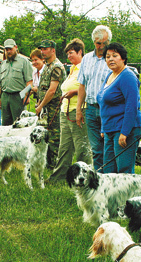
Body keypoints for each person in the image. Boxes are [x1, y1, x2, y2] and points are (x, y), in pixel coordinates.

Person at [47, 39, 92, 182]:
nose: (69, 56)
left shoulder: (86, 67)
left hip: (78, 110)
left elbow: (89, 87)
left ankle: (85, 177)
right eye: (67, 54)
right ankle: (59, 177)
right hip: (65, 110)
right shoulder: (72, 69)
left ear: (80, 52)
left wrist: (75, 91)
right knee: (64, 147)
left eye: (71, 53)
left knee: (81, 147)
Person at [97, 43, 141, 174]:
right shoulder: (110, 75)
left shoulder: (127, 76)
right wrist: (103, 128)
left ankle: (130, 195)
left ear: (123, 58)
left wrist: (125, 132)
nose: (110, 59)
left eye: (114, 56)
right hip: (109, 129)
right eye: (107, 56)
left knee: (124, 171)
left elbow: (132, 106)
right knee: (109, 170)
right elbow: (104, 103)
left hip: (124, 129)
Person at [76, 25, 112, 170]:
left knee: (108, 147)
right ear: (93, 42)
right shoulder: (86, 59)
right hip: (90, 108)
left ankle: (110, 177)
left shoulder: (112, 59)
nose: (102, 46)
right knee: (96, 149)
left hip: (108, 109)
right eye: (99, 43)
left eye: (105, 43)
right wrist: (79, 109)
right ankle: (99, 177)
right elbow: (82, 85)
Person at [36, 39, 67, 170]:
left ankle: (55, 166)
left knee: (54, 137)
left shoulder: (56, 66)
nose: (42, 51)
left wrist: (41, 105)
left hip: (54, 106)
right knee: (46, 134)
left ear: (53, 50)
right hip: (46, 107)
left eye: (45, 49)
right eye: (41, 49)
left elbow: (52, 90)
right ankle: (48, 163)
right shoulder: (47, 66)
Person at [0, 39, 33, 125]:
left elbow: (30, 82)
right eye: (6, 50)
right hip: (5, 96)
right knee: (5, 124)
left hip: (18, 96)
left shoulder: (24, 62)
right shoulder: (3, 64)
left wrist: (26, 95)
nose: (8, 51)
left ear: (16, 48)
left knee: (19, 124)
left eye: (10, 49)